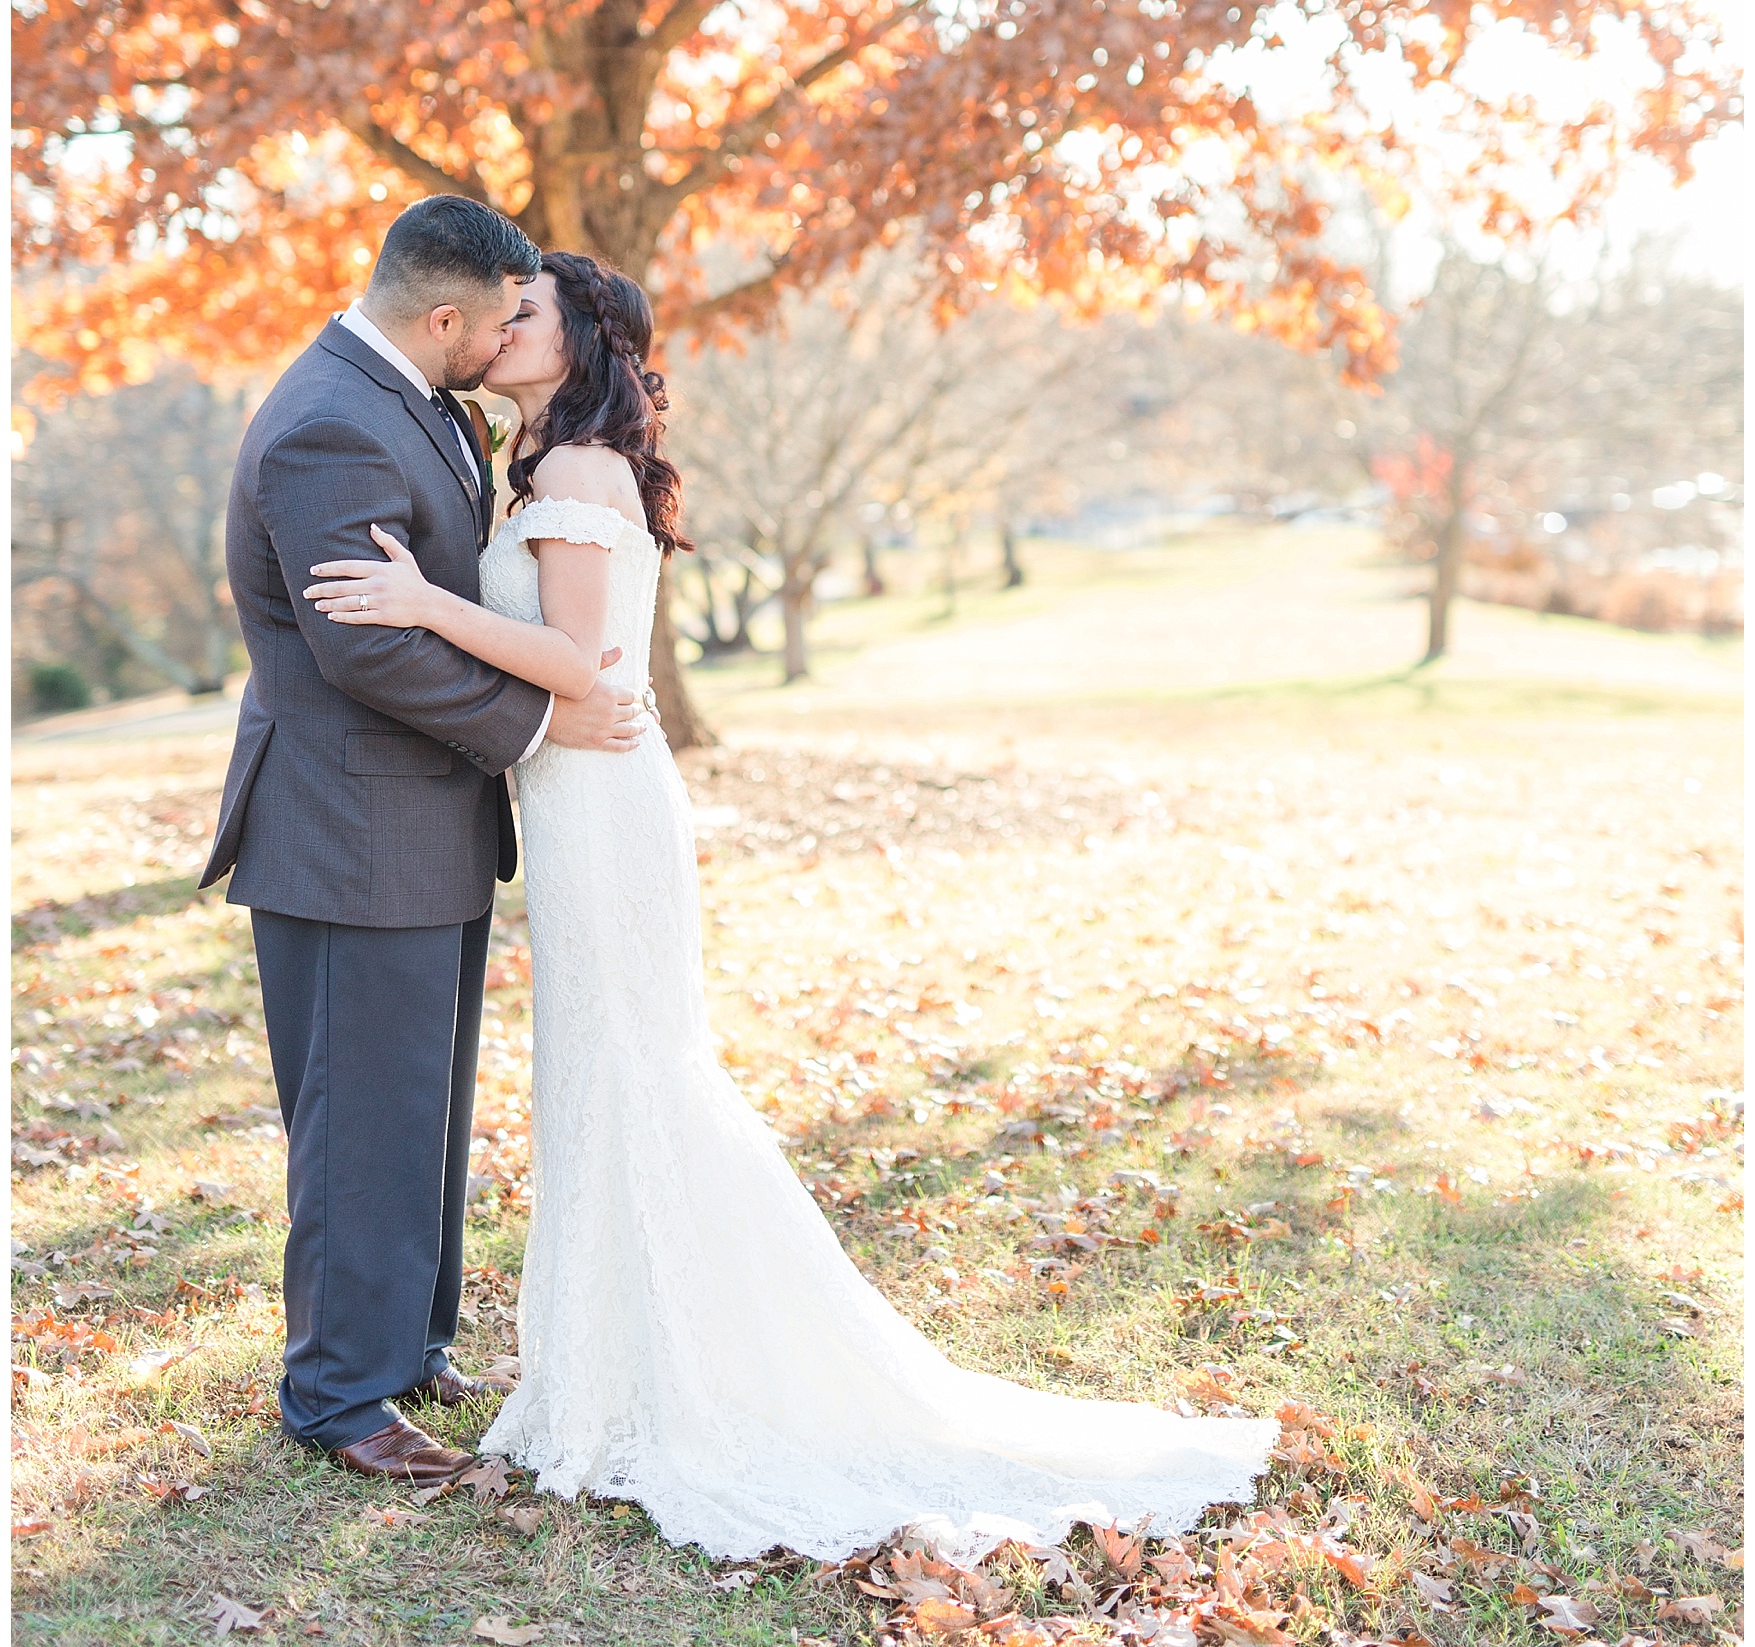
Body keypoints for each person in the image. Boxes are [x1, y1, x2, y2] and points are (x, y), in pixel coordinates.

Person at [304, 247, 1275, 1560]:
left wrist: (419, 600)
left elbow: (588, 669)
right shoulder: (528, 464)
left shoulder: (581, 473)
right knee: (600, 1072)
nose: (498, 325)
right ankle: (609, 1363)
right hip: (573, 798)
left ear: (580, 343)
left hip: (603, 808)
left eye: (523, 311)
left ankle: (675, 1378)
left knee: (637, 1070)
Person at [203, 198, 645, 1485]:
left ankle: (407, 1342)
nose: (515, 335)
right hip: (347, 828)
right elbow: (367, 643)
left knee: (425, 1110)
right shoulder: (330, 420)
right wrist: (545, 717)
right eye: (504, 317)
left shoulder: (425, 397)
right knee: (360, 1116)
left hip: (426, 818)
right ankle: (340, 1394)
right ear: (444, 315)